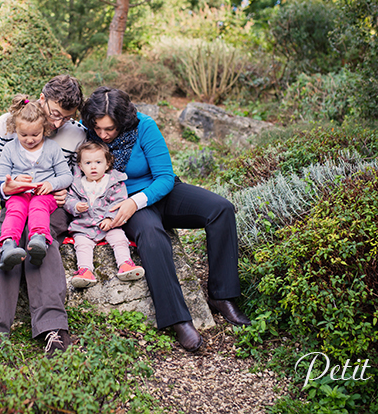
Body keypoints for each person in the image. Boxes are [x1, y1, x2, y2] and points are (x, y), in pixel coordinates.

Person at [80, 86, 251, 353]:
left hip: (156, 192)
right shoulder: (86, 129)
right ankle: (179, 319)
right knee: (152, 235)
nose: (102, 135)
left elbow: (165, 177)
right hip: (122, 203)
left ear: (123, 121)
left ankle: (222, 295)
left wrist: (135, 201)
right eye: (98, 128)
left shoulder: (144, 127)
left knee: (221, 209)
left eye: (109, 129)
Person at [0, 74, 86, 357]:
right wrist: (3, 188)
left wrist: (67, 195)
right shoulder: (8, 124)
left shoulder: (77, 133)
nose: (57, 124)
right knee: (10, 238)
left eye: (66, 118)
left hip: (52, 207)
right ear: (42, 99)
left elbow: (83, 178)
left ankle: (54, 329)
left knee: (41, 238)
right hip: (16, 201)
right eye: (55, 113)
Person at [0, 95, 74, 271]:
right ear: (15, 129)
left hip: (44, 195)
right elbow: (1, 177)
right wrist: (13, 182)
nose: (30, 140)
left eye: (35, 135)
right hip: (19, 194)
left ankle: (38, 240)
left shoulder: (52, 148)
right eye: (23, 135)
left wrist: (51, 184)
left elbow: (66, 176)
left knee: (38, 206)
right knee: (14, 210)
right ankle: (8, 245)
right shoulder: (10, 148)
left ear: (44, 129)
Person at [64, 140, 145, 288]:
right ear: (81, 166)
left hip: (108, 225)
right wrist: (75, 206)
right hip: (84, 225)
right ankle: (85, 270)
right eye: (88, 163)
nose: (93, 166)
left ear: (107, 164)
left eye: (98, 162)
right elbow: (68, 200)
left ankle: (125, 264)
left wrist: (110, 218)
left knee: (119, 238)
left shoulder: (114, 182)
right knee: (81, 244)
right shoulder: (77, 184)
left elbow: (119, 201)